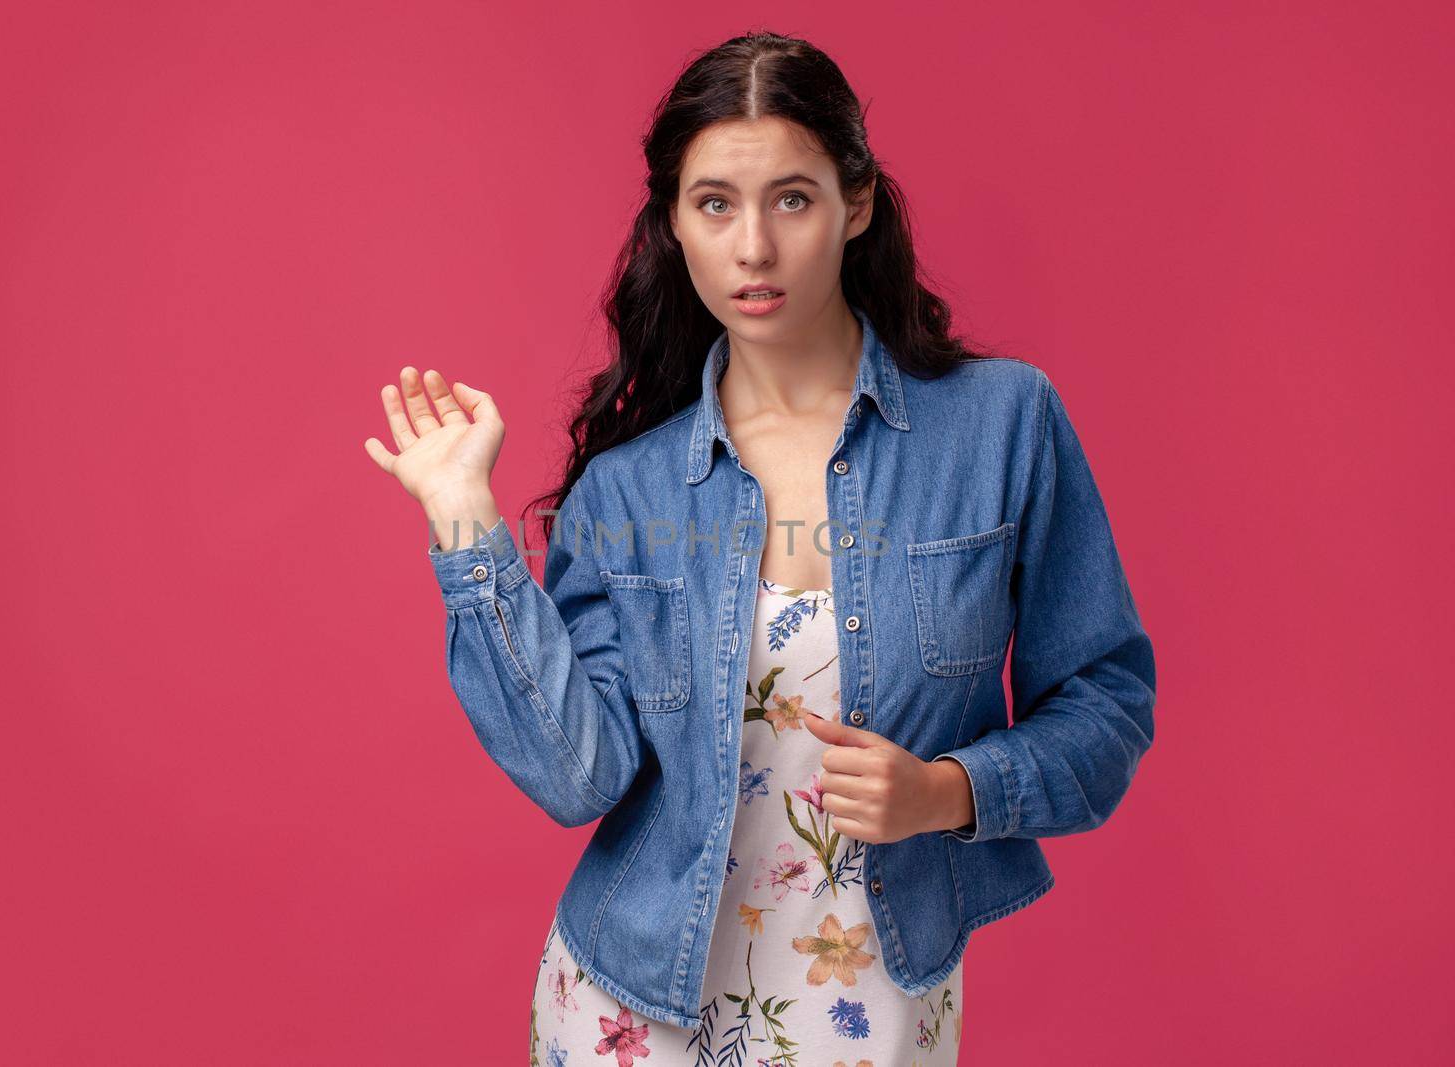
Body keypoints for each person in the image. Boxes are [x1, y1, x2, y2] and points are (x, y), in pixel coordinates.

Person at [364, 30, 1156, 1066]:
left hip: (872, 1005)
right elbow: (579, 778)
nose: (752, 249)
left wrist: (949, 789)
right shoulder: (628, 487)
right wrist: (464, 521)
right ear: (675, 224)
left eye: (791, 198)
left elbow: (1107, 703)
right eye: (714, 204)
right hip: (629, 1012)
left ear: (855, 202)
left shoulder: (1001, 426)